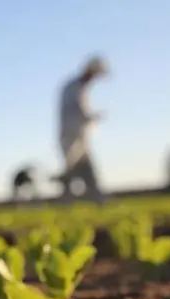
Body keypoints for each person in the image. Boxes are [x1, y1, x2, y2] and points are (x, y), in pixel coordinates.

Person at [55, 56, 109, 204]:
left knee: (87, 170)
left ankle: (98, 199)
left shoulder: (80, 88)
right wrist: (92, 117)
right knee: (71, 170)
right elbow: (75, 111)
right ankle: (67, 202)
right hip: (71, 137)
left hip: (80, 137)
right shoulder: (73, 87)